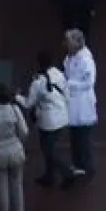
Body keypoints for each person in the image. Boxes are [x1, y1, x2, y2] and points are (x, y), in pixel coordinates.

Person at [21, 50, 69, 187]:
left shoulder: (38, 82)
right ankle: (49, 176)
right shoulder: (59, 74)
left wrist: (16, 97)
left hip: (48, 122)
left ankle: (67, 173)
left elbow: (28, 103)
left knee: (48, 151)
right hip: (62, 117)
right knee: (49, 149)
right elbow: (66, 93)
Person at [63, 28, 98, 183]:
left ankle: (87, 168)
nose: (66, 44)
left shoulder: (86, 60)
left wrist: (70, 84)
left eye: (69, 41)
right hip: (73, 103)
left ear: (77, 42)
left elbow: (89, 82)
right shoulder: (69, 58)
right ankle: (78, 165)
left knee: (84, 138)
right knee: (75, 137)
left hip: (83, 104)